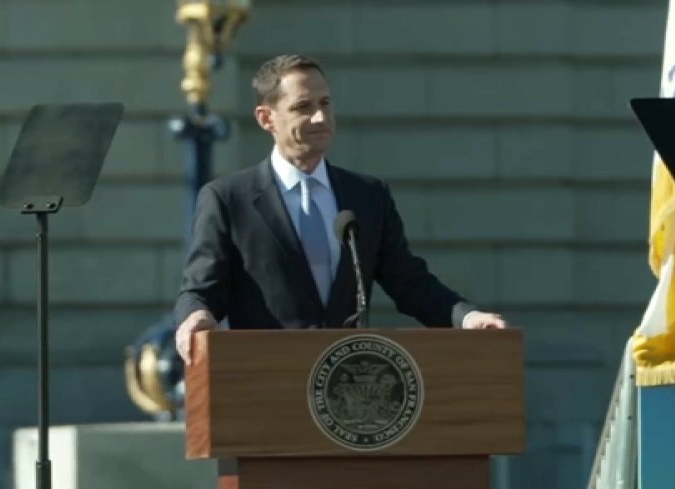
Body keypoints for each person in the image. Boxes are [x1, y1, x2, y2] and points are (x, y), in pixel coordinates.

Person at [174, 54, 506, 364]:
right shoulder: (229, 199)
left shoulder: (367, 196)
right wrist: (195, 317)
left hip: (346, 387)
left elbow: (410, 283)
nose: (320, 117)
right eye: (303, 106)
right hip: (268, 379)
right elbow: (201, 290)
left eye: (325, 103)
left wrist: (467, 317)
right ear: (266, 118)